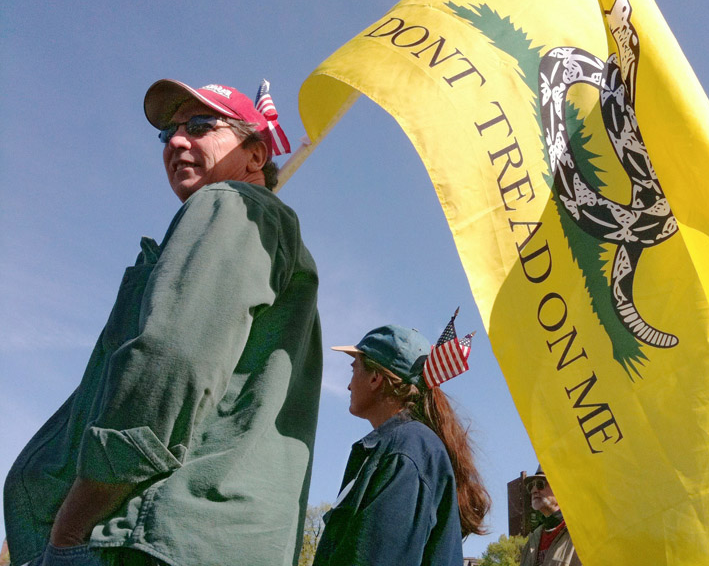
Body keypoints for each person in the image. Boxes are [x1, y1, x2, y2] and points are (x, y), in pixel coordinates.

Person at [3, 79, 322, 566]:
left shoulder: (228, 204)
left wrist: (70, 529)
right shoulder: (267, 233)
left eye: (201, 126)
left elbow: (170, 362)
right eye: (168, 133)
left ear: (256, 155)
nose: (176, 142)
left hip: (147, 536)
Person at [312, 320, 491, 566]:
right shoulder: (407, 446)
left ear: (375, 378)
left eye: (354, 369)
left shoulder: (406, 450)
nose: (349, 384)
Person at [520, 466, 581, 566]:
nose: (534, 490)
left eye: (540, 484)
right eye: (530, 486)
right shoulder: (532, 540)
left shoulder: (579, 534)